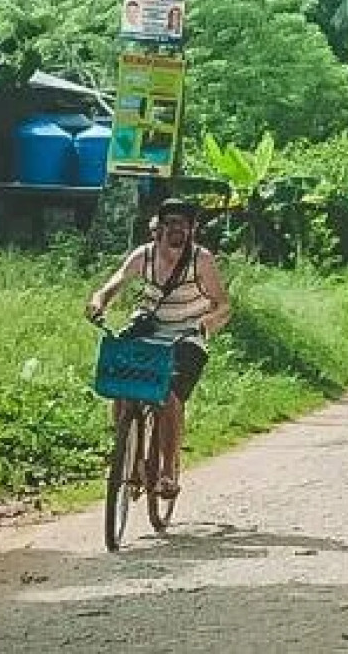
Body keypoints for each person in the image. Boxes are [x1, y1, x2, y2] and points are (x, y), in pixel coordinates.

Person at [84, 197, 230, 499]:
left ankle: (166, 471)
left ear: (192, 230)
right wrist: (98, 303)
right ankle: (129, 455)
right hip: (148, 328)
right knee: (123, 387)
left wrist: (205, 325)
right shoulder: (144, 256)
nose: (177, 230)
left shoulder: (201, 261)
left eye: (184, 225)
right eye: (171, 223)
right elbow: (113, 285)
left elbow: (223, 306)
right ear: (159, 228)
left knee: (169, 395)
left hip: (186, 335)